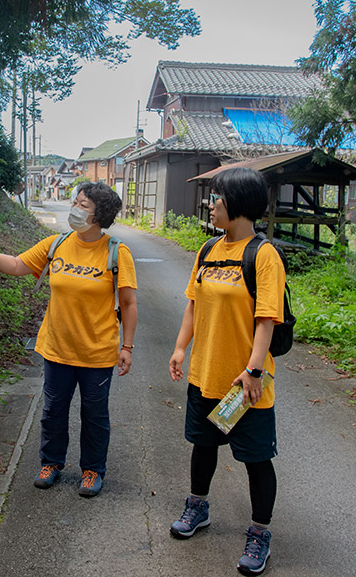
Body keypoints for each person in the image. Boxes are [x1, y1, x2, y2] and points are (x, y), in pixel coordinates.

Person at [0, 181, 137, 497]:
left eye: (83, 205)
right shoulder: (57, 244)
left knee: (95, 415)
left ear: (100, 216)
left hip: (96, 352)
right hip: (56, 348)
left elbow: (128, 303)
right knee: (53, 410)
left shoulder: (116, 253)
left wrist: (127, 346)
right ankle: (51, 463)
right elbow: (16, 265)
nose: (75, 208)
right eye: (76, 201)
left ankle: (93, 470)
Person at [168, 168, 285, 576]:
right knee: (203, 446)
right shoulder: (207, 250)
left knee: (255, 459)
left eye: (217, 199)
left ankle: (259, 533)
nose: (211, 205)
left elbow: (266, 320)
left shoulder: (263, 255)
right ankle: (198, 507)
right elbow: (194, 304)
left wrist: (253, 370)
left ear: (236, 204)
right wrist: (182, 348)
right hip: (206, 374)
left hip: (245, 384)